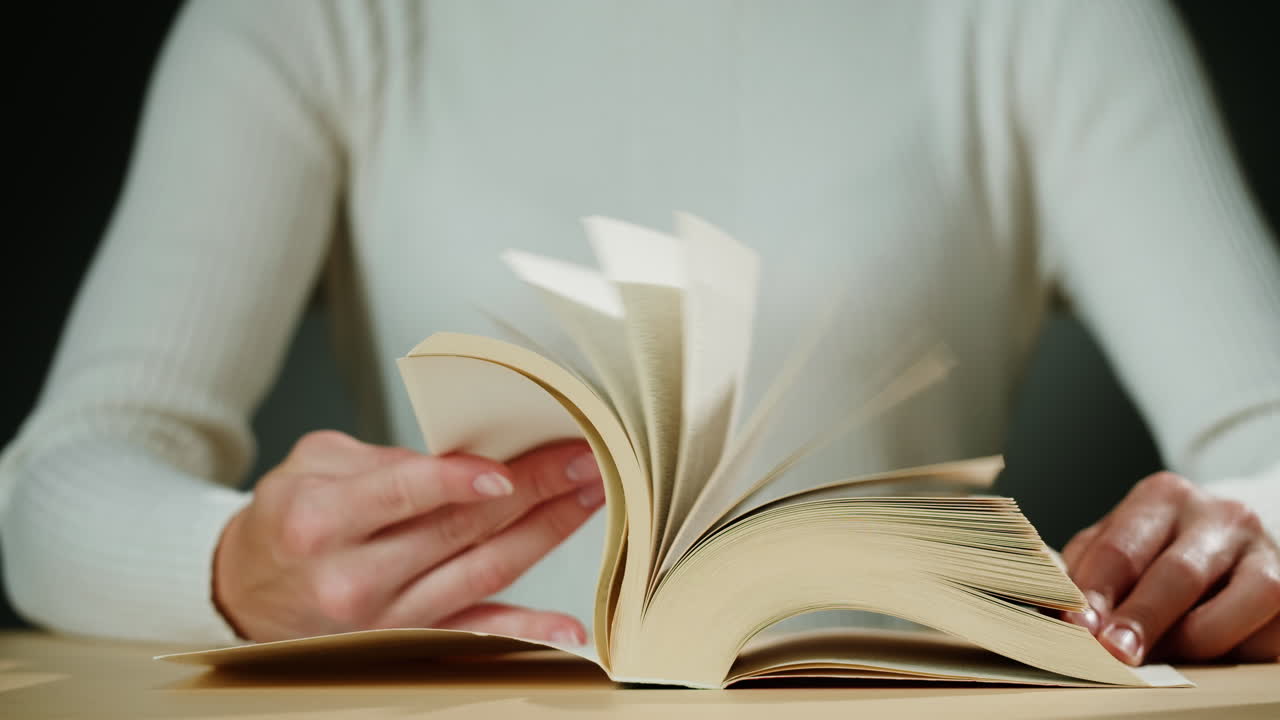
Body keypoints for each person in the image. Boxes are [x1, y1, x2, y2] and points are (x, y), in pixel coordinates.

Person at [2, 0, 1278, 668]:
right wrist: (232, 567)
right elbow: (54, 483)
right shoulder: (318, 16)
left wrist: (1249, 535)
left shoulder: (1039, 16)